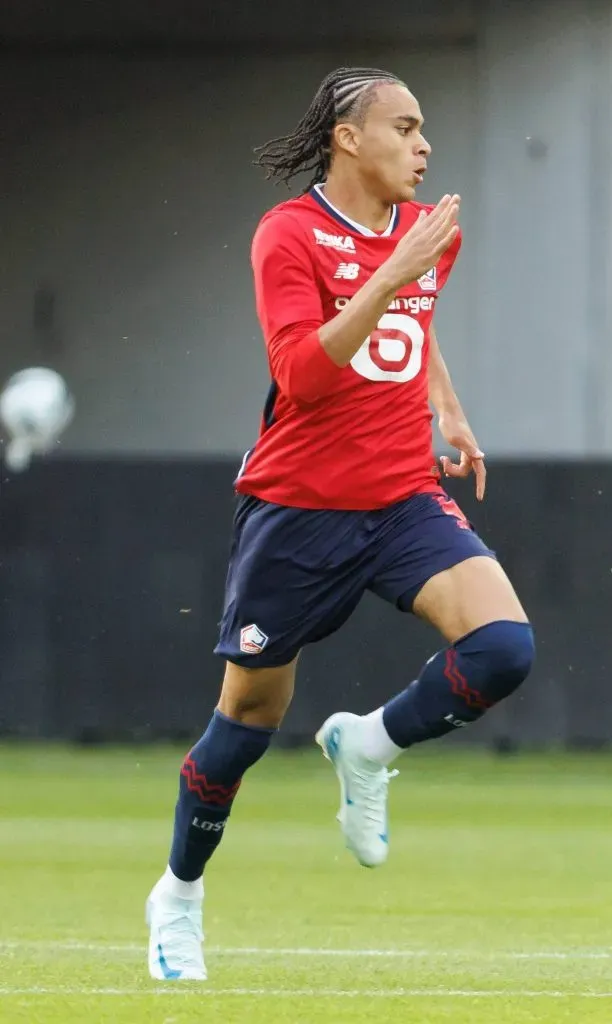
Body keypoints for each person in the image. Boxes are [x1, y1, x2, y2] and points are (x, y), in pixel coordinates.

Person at [146, 66, 534, 982]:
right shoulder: (287, 236)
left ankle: (367, 744)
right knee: (247, 719)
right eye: (404, 126)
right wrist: (394, 270)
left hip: (400, 495)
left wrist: (447, 407)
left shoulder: (427, 237)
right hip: (297, 511)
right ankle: (179, 895)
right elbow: (305, 377)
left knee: (503, 649)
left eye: (424, 127)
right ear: (347, 138)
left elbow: (415, 315)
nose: (423, 143)